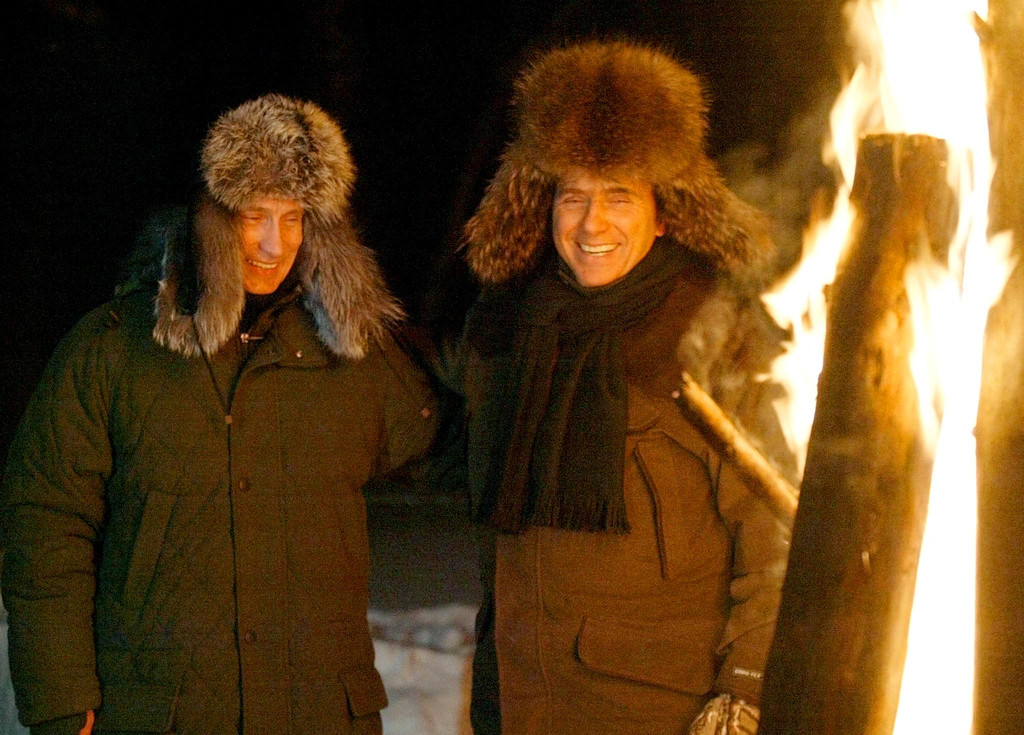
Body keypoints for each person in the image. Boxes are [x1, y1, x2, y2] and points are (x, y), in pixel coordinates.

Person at [1, 94, 438, 735]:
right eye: (254, 215)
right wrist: (62, 698)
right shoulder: (114, 350)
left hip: (319, 714)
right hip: (163, 714)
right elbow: (45, 524)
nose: (273, 243)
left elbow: (451, 445)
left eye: (293, 218)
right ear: (211, 216)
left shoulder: (353, 357)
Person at [456, 41, 792, 734]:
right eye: (573, 196)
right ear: (545, 206)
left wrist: (746, 692)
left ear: (662, 211)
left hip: (658, 712)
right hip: (520, 708)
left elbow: (778, 540)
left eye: (619, 196)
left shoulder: (715, 334)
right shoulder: (508, 330)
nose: (592, 223)